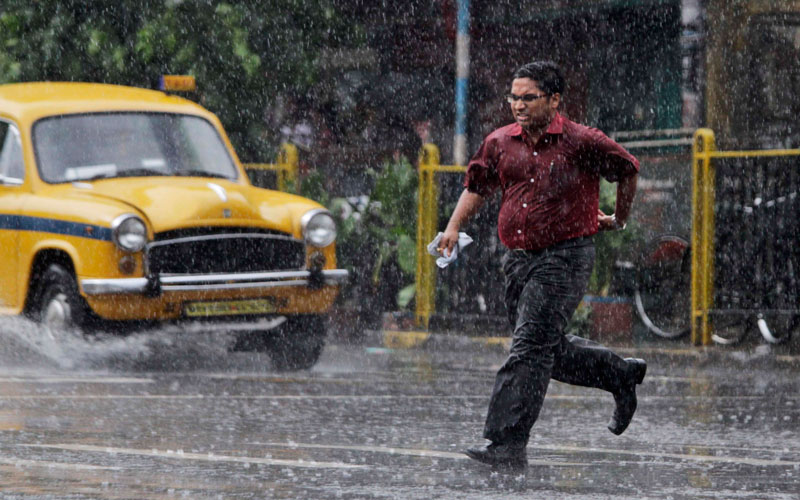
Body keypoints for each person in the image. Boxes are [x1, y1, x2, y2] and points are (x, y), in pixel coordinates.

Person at [438, 61, 646, 469]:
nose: (518, 105)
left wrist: (619, 218)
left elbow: (628, 169)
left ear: (554, 100)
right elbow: (478, 186)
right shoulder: (499, 142)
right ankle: (618, 374)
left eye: (528, 98)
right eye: (513, 97)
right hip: (517, 260)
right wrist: (451, 227)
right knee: (547, 350)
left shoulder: (581, 140)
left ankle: (507, 441)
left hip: (565, 257)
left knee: (529, 346)